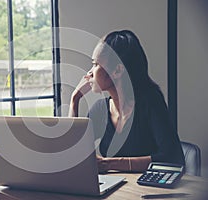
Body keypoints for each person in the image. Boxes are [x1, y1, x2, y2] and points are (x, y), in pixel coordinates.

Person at [69, 30, 185, 173]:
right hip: (118, 190)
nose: (89, 73)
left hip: (149, 190)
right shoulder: (101, 109)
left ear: (117, 70)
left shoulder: (150, 102)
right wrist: (75, 99)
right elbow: (73, 153)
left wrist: (109, 164)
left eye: (95, 64)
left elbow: (173, 158)